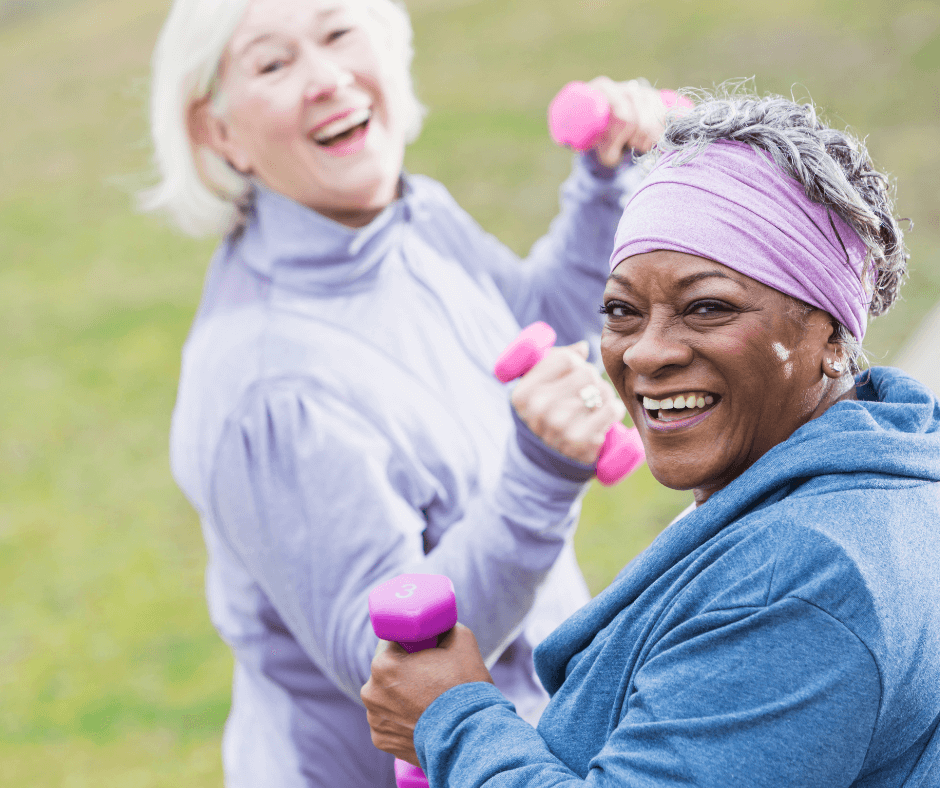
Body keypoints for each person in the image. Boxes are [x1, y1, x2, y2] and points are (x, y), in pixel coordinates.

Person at [142, 0, 676, 784]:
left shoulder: (409, 217)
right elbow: (395, 661)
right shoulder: (269, 388)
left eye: (338, 32)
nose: (327, 78)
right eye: (274, 63)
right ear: (218, 132)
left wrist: (604, 182)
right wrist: (540, 476)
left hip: (527, 746)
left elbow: (544, 330)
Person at [362, 87, 940, 787]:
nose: (646, 351)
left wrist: (452, 722)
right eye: (621, 310)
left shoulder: (802, 578)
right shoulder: (876, 482)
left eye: (707, 307)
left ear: (831, 337)